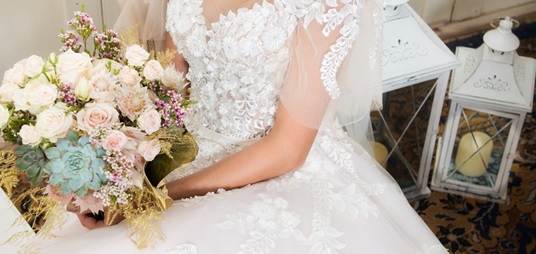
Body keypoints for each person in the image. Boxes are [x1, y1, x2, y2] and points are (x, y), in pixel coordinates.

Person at [31, 0, 448, 253]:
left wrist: (153, 197)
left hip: (281, 166)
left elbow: (287, 148)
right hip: (186, 144)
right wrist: (118, 155)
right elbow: (177, 82)